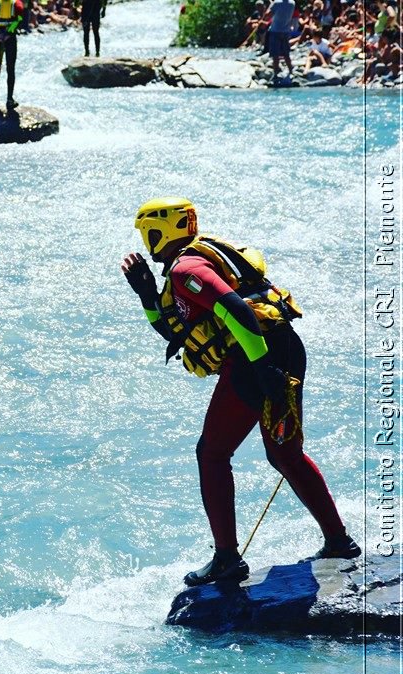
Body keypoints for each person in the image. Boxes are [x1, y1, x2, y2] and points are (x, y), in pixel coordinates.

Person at [121, 197, 361, 586]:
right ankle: (339, 541)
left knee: (212, 453)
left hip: (256, 360)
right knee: (285, 453)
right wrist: (147, 297)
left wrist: (263, 367)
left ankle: (227, 559)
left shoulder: (186, 269)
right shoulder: (202, 258)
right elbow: (178, 334)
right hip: (285, 347)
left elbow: (235, 307)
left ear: (156, 230)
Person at [266, 0, 296, 84]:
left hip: (275, 31)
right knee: (286, 53)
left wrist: (271, 4)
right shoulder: (292, 3)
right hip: (286, 31)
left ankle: (276, 74)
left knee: (275, 54)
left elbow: (268, 15)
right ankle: (291, 71)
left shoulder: (276, 3)